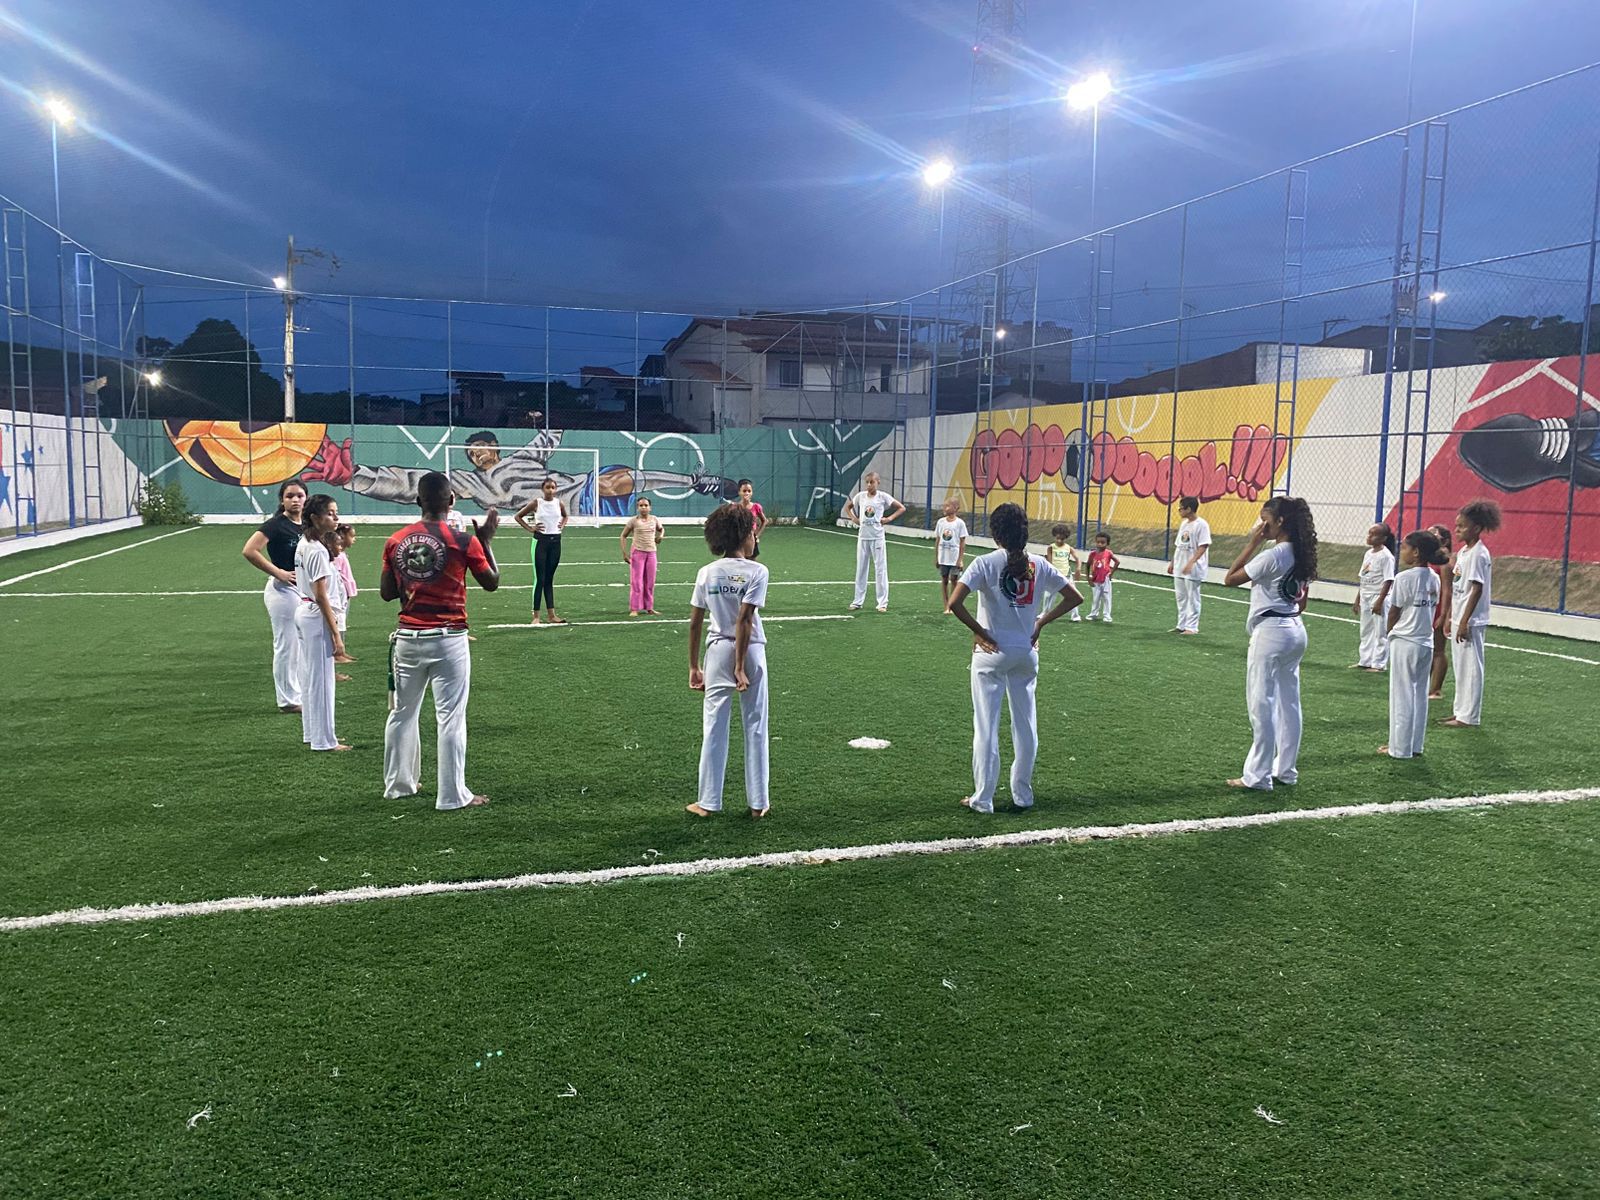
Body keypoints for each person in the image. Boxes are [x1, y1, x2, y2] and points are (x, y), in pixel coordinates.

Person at [947, 502, 1081, 814]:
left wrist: (979, 631)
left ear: (995, 533)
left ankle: (983, 798)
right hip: (1026, 651)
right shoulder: (1038, 563)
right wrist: (1040, 623)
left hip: (991, 652)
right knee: (1025, 725)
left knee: (986, 726)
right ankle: (1023, 794)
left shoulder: (984, 562)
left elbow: (955, 603)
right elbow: (1075, 597)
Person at [380, 471, 500, 810]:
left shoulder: (396, 540)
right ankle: (451, 795)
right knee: (450, 718)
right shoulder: (463, 540)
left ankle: (398, 785)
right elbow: (491, 582)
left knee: (402, 714)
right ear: (451, 501)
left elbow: (387, 593)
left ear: (417, 501)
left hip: (407, 637)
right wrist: (487, 542)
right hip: (448, 637)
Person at [1223, 495, 1318, 791]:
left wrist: (1252, 544)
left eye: (1266, 520)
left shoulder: (1273, 554)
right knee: (1289, 702)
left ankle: (1258, 776)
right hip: (1294, 629)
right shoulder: (1303, 552)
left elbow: (1230, 578)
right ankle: (1286, 770)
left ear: (1280, 522)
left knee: (1261, 703)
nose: (1262, 525)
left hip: (1272, 631)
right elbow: (1301, 601)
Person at [686, 503, 770, 818]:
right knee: (756, 724)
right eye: (753, 532)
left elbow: (695, 622)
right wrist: (739, 667)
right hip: (750, 652)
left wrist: (695, 666)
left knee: (714, 725)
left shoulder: (707, 572)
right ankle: (758, 803)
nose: (755, 538)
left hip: (717, 651)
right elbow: (745, 621)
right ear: (745, 534)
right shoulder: (758, 571)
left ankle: (707, 802)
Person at [241, 480, 308, 713]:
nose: (295, 500)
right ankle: (288, 700)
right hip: (283, 591)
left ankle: (298, 692)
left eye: (299, 495)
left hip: (303, 590)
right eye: (290, 496)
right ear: (282, 500)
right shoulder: (276, 525)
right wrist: (278, 572)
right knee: (286, 645)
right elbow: (250, 550)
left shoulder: (306, 524)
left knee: (300, 644)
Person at [1380, 530, 1447, 759]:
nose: (1403, 551)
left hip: (1405, 641)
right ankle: (1416, 745)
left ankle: (1399, 748)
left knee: (1401, 695)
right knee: (1419, 695)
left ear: (1416, 552)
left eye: (1406, 548)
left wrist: (1388, 633)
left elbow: (1394, 611)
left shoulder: (1403, 578)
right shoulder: (1434, 578)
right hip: (1424, 643)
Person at [294, 494, 351, 752]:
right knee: (322, 681)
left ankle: (312, 733)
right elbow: (321, 595)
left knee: (310, 677)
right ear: (315, 518)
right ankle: (325, 740)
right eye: (330, 513)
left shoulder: (306, 542)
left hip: (305, 611)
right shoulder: (316, 549)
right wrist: (336, 634)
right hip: (315, 614)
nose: (335, 517)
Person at [1442, 499, 1502, 729]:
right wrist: (1451, 616)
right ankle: (1459, 711)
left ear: (1476, 528)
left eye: (1462, 526)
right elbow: (1460, 587)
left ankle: (1470, 716)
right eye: (1456, 526)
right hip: (1459, 616)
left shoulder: (1478, 554)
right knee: (1461, 666)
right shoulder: (1465, 552)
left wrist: (1465, 620)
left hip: (1472, 619)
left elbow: (1476, 589)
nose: (1457, 530)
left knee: (1472, 667)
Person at [843, 472, 905, 612]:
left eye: (872, 482)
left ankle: (882, 603)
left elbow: (901, 508)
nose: (869, 485)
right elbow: (848, 507)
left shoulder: (883, 497)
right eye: (867, 482)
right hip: (863, 537)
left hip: (877, 538)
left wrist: (889, 519)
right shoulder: (860, 496)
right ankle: (857, 601)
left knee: (880, 569)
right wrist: (854, 518)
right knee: (861, 569)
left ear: (878, 482)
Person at [514, 476, 568, 625]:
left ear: (556, 489)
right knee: (540, 579)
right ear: (542, 489)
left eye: (553, 487)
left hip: (556, 542)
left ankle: (552, 615)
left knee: (549, 580)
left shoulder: (559, 503)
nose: (550, 490)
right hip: (540, 542)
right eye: (548, 487)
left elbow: (565, 516)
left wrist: (562, 526)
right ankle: (536, 616)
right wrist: (531, 529)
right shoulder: (537, 503)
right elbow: (518, 516)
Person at [1352, 522, 1397, 671]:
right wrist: (1358, 599)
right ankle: (1364, 660)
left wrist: (1380, 601)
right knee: (1366, 629)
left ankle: (1379, 664)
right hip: (1366, 595)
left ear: (1383, 538)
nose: (1369, 537)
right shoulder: (1368, 554)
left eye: (1374, 534)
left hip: (1378, 596)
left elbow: (1388, 579)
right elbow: (1363, 577)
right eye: (1369, 533)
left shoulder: (1386, 556)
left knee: (1380, 631)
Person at [1167, 496, 1211, 634]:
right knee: (1181, 597)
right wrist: (1173, 562)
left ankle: (1192, 627)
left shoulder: (1201, 524)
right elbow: (1179, 545)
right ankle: (1181, 624)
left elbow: (1203, 546)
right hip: (1180, 565)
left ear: (1189, 509)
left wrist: (1191, 562)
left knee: (1193, 597)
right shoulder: (1184, 524)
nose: (1179, 510)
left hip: (1193, 568)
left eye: (1181, 508)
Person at [620, 496, 665, 616]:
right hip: (638, 552)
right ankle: (635, 608)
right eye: (641, 505)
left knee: (650, 582)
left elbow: (661, 529)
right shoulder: (633, 521)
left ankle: (649, 607)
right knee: (637, 581)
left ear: (650, 508)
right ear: (637, 508)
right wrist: (624, 553)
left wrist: (661, 536)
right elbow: (623, 535)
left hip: (651, 553)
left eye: (646, 505)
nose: (643, 508)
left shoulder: (654, 519)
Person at [325, 528, 358, 683]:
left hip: (340, 597)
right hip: (334, 601)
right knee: (335, 629)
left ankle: (339, 654)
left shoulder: (339, 557)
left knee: (340, 626)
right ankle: (336, 658)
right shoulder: (330, 563)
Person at [1427, 523, 1454, 700]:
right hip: (1427, 607)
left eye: (1433, 535)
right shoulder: (1430, 558)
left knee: (1438, 650)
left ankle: (1436, 689)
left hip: (1438, 609)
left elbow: (1447, 589)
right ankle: (1427, 685)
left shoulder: (1445, 562)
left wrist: (1444, 615)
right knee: (1428, 649)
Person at [933, 499, 969, 612]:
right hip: (943, 557)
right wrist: (937, 557)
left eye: (947, 506)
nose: (944, 508)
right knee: (944, 580)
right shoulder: (941, 522)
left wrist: (960, 559)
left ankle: (953, 604)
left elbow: (962, 542)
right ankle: (946, 605)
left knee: (954, 579)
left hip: (954, 557)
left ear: (955, 508)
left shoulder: (960, 523)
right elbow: (938, 540)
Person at [1045, 523, 1084, 623]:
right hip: (1055, 575)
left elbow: (1077, 559)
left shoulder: (1068, 548)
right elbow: (1049, 561)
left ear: (1065, 538)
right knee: (1049, 595)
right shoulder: (1051, 547)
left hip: (1067, 574)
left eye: (1061, 539)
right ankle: (1045, 613)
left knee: (1073, 594)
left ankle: (1075, 615)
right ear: (1054, 536)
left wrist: (1078, 569)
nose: (1059, 541)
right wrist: (1050, 573)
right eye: (1057, 538)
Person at [1085, 532, 1121, 622]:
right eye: (1098, 542)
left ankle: (1107, 615)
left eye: (1102, 542)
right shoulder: (1092, 554)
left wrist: (1111, 573)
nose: (1100, 544)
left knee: (1106, 597)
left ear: (1107, 543)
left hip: (1105, 579)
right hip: (1095, 579)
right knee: (1096, 598)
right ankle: (1093, 614)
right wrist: (1088, 577)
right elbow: (1088, 565)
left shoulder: (1108, 553)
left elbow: (1117, 562)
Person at [736, 479, 768, 559]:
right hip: (739, 537)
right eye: (744, 491)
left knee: (752, 560)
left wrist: (757, 535)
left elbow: (764, 521)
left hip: (751, 537)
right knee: (739, 559)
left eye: (749, 491)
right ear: (739, 492)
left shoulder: (756, 507)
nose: (747, 493)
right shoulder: (736, 507)